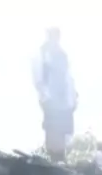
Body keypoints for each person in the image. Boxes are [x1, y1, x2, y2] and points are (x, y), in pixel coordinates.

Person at [32, 27, 78, 163]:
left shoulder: (63, 54)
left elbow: (69, 77)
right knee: (52, 132)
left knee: (65, 133)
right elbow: (38, 78)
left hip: (65, 102)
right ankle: (53, 159)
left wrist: (74, 98)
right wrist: (46, 97)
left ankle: (62, 160)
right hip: (52, 101)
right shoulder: (42, 54)